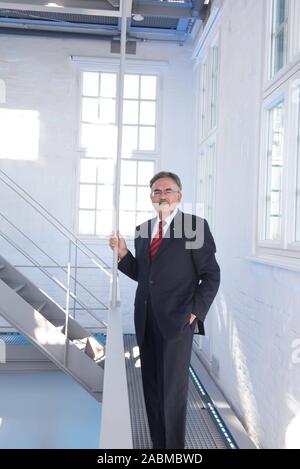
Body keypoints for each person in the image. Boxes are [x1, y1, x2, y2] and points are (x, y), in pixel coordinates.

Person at [109, 171, 220, 449]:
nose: (162, 196)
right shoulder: (143, 230)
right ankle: (159, 445)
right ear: (151, 198)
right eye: (156, 192)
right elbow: (144, 274)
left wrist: (195, 311)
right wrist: (123, 254)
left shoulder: (194, 227)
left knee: (172, 393)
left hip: (178, 321)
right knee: (152, 389)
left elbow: (210, 275)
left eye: (168, 191)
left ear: (179, 196)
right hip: (146, 320)